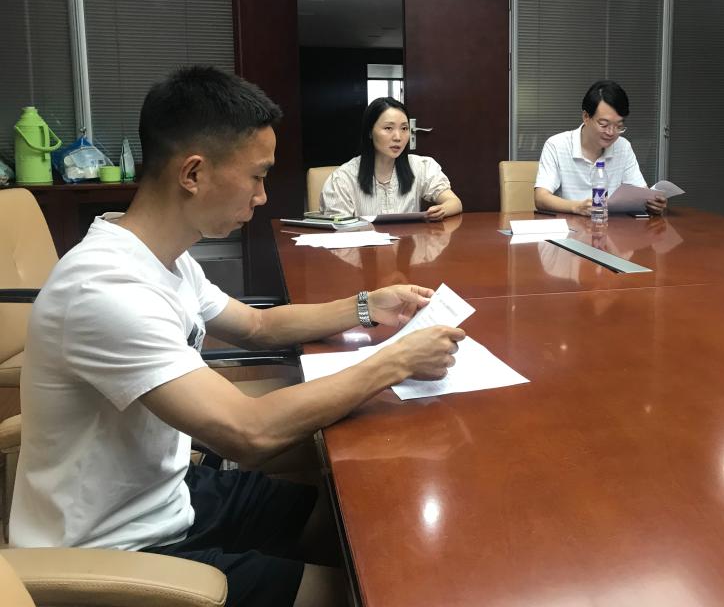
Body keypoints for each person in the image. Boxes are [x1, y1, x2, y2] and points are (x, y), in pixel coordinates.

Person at [10, 67, 465, 607]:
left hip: (168, 494)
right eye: (256, 176)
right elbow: (248, 432)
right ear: (193, 173)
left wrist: (367, 306)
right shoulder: (107, 288)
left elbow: (257, 325)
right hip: (117, 549)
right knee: (348, 593)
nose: (263, 196)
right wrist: (396, 361)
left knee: (345, 523)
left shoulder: (163, 258)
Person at [533, 80, 666, 216]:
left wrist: (652, 203)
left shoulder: (623, 147)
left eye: (619, 126)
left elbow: (641, 193)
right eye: (604, 124)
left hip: (612, 227)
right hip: (569, 226)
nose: (611, 132)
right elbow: (541, 198)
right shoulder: (556, 145)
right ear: (586, 117)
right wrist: (577, 207)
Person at [320, 97, 462, 221]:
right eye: (388, 128)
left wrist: (442, 210)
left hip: (407, 243)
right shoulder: (342, 179)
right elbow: (338, 229)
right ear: (370, 132)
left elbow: (454, 202)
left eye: (404, 128)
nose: (398, 137)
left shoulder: (422, 166)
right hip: (363, 244)